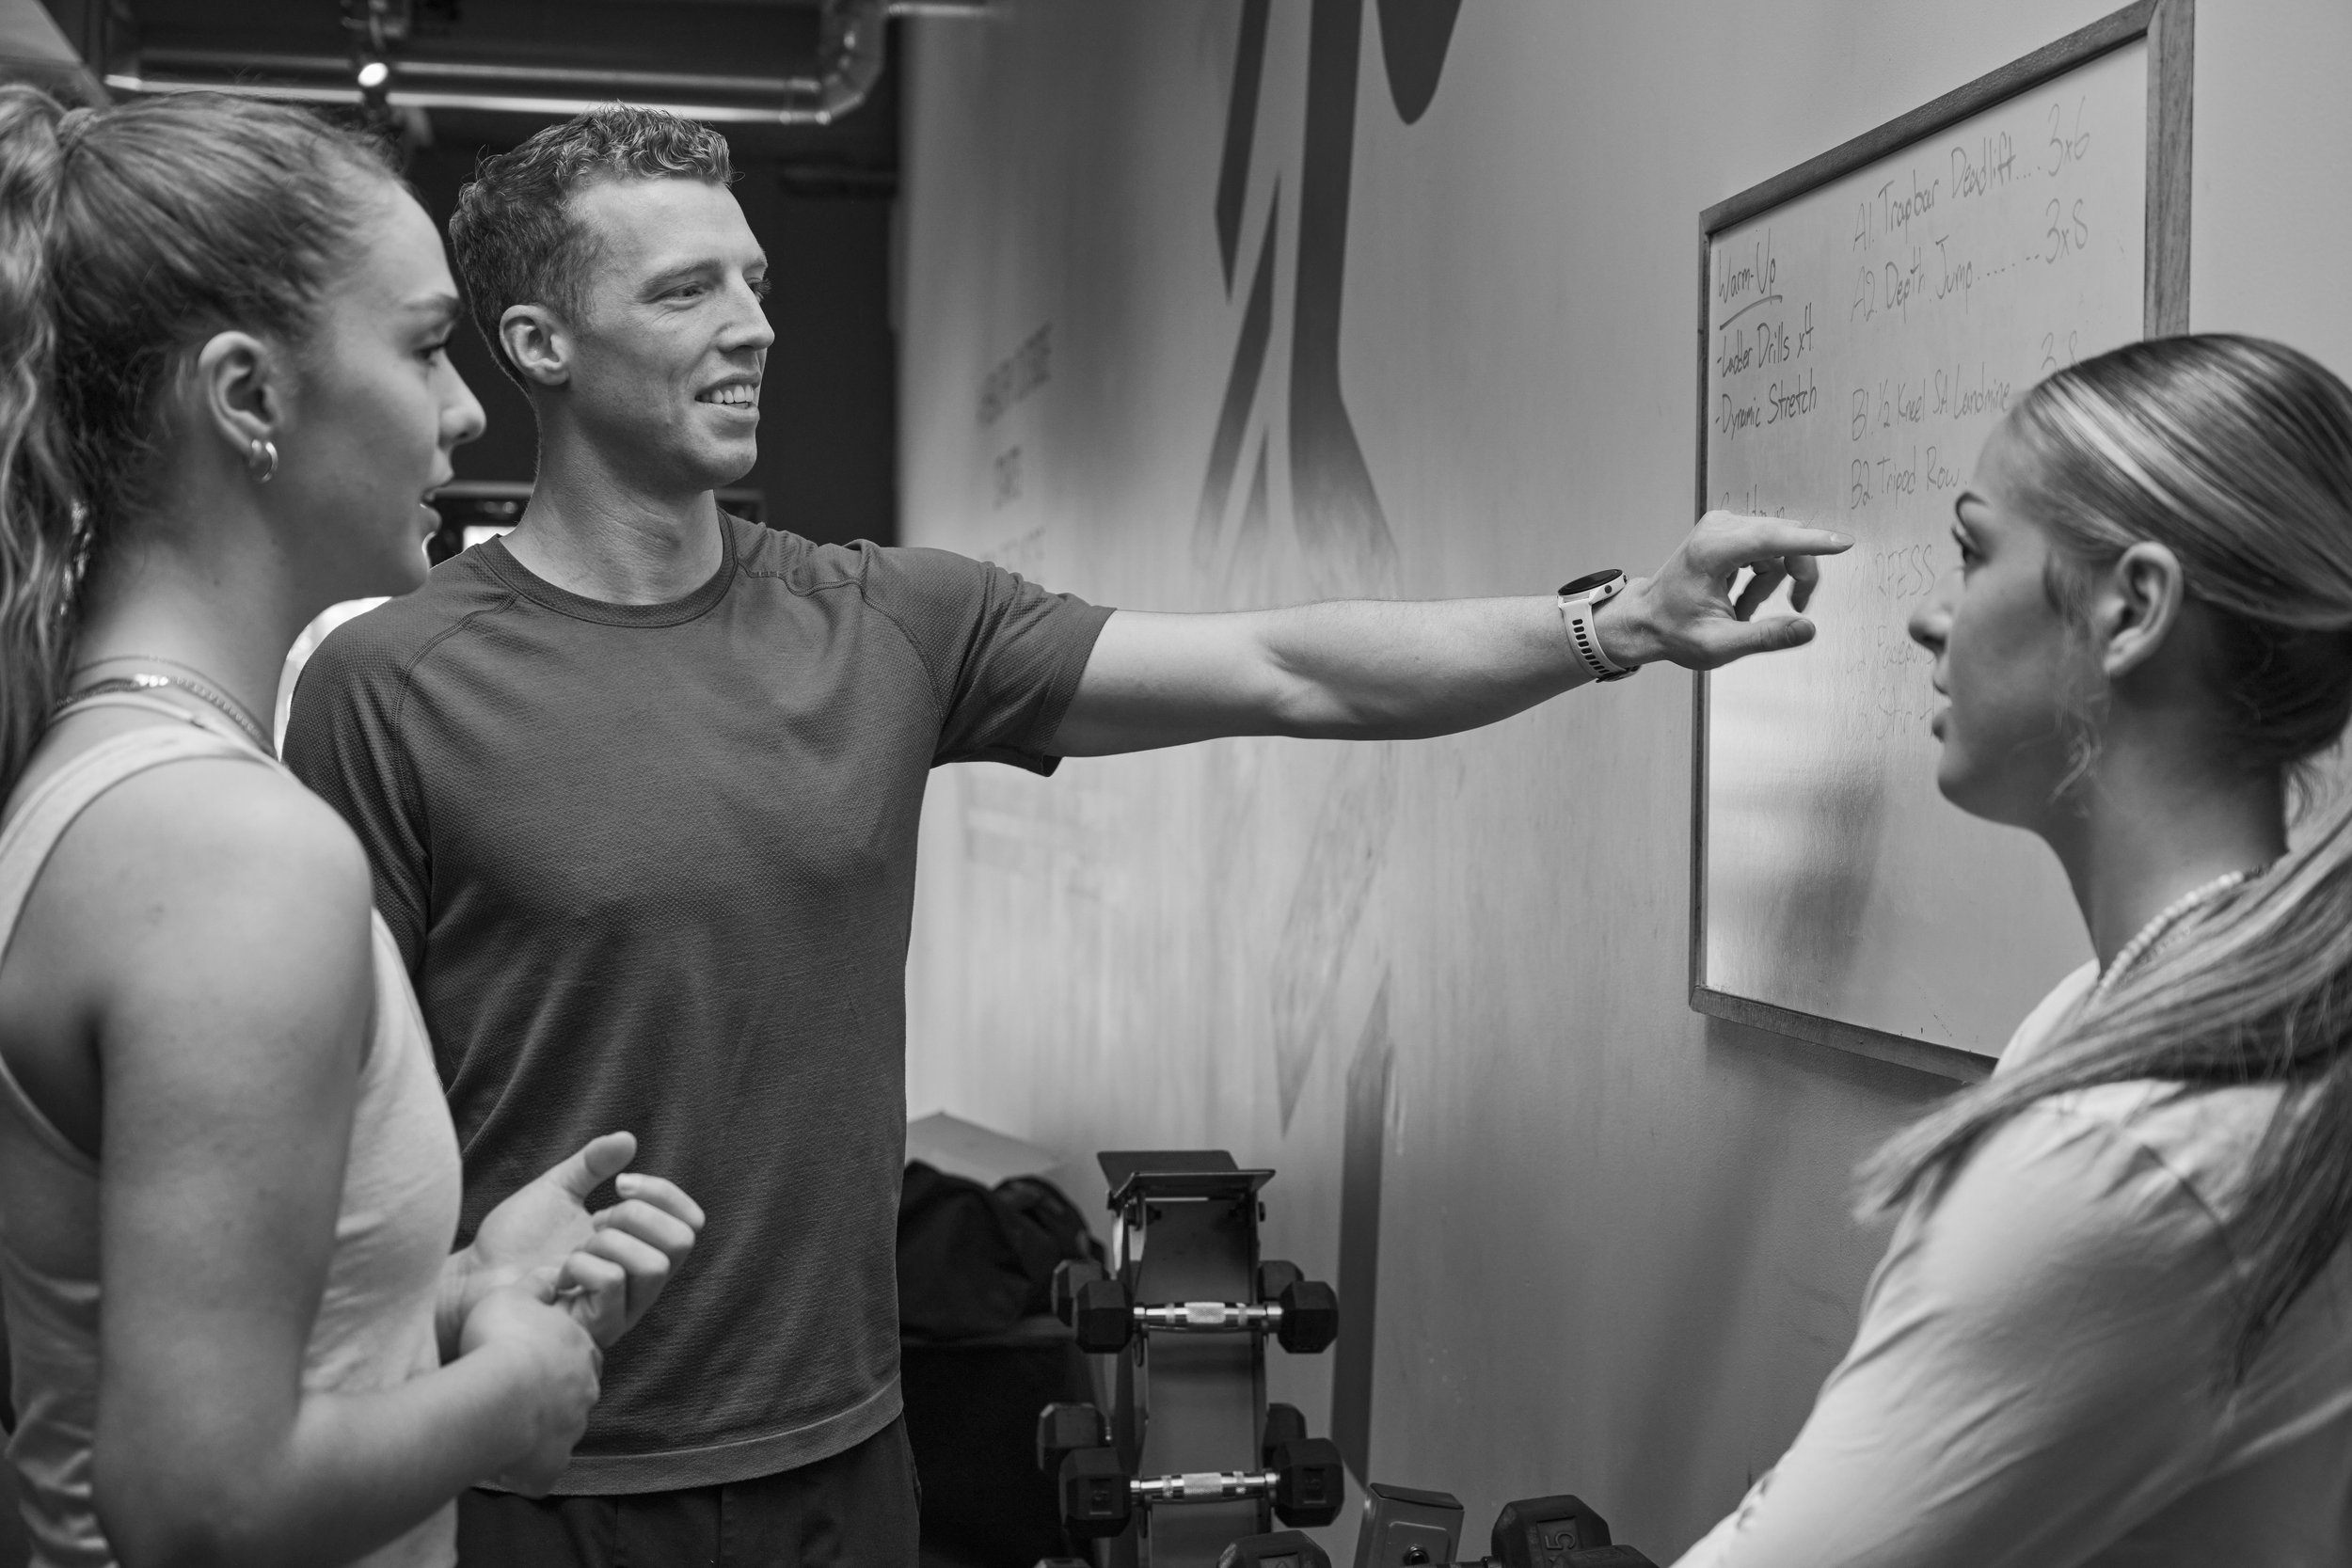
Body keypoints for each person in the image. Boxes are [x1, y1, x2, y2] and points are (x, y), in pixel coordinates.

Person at [284, 103, 1850, 1563]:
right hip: (522, 1472)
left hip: (844, 1461)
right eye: (688, 291)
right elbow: (319, 1140)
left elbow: (1285, 668)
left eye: (755, 280)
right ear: (539, 342)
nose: (756, 324)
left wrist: (1616, 625)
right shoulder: (389, 682)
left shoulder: (886, 623)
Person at [0, 88, 706, 1568]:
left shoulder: (117, 778)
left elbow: (189, 1346)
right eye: (425, 343)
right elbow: (197, 1505)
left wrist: (453, 1295)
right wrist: (514, 1389)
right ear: (250, 399)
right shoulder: (230, 852)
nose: (464, 410)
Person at [1676, 334, 2352, 1567]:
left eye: (1975, 552)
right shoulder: (2109, 1017)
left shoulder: (2131, 1150)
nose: (1934, 616)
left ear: (2132, 609)